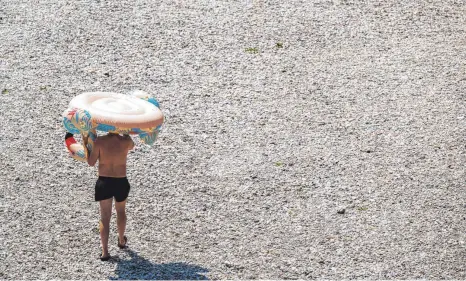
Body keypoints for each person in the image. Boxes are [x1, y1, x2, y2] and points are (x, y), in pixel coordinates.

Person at [83, 132, 135, 261]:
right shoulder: (126, 141)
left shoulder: (100, 141)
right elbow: (132, 145)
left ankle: (105, 252)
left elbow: (91, 162)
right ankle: (121, 240)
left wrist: (85, 143)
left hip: (104, 181)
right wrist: (127, 134)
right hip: (121, 180)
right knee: (121, 211)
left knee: (105, 217)